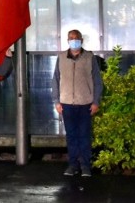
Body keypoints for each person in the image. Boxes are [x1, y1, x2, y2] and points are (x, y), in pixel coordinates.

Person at [52, 29, 103, 177]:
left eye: (77, 38)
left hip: (85, 104)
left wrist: (95, 102)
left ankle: (86, 166)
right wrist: (56, 101)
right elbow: (55, 79)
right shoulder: (61, 57)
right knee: (71, 136)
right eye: (71, 38)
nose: (74, 40)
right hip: (66, 104)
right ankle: (73, 165)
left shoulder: (89, 57)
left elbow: (97, 81)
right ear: (67, 40)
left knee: (84, 135)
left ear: (81, 40)